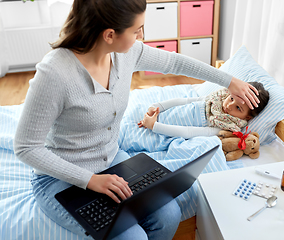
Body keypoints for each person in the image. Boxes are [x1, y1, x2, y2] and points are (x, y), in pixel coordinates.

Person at [13, 0, 260, 239]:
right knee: (133, 237)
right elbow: (25, 148)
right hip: (61, 179)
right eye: (136, 30)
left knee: (169, 214)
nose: (141, 36)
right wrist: (91, 180)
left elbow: (174, 61)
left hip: (109, 159)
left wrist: (229, 81)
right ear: (109, 34)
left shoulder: (125, 54)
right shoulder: (54, 73)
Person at [138, 82, 269, 139]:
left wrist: (154, 126)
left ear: (247, 117)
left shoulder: (225, 126)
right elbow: (186, 101)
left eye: (238, 108)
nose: (229, 105)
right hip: (161, 114)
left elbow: (189, 132)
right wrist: (157, 106)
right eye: (232, 98)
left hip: (163, 129)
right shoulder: (216, 98)